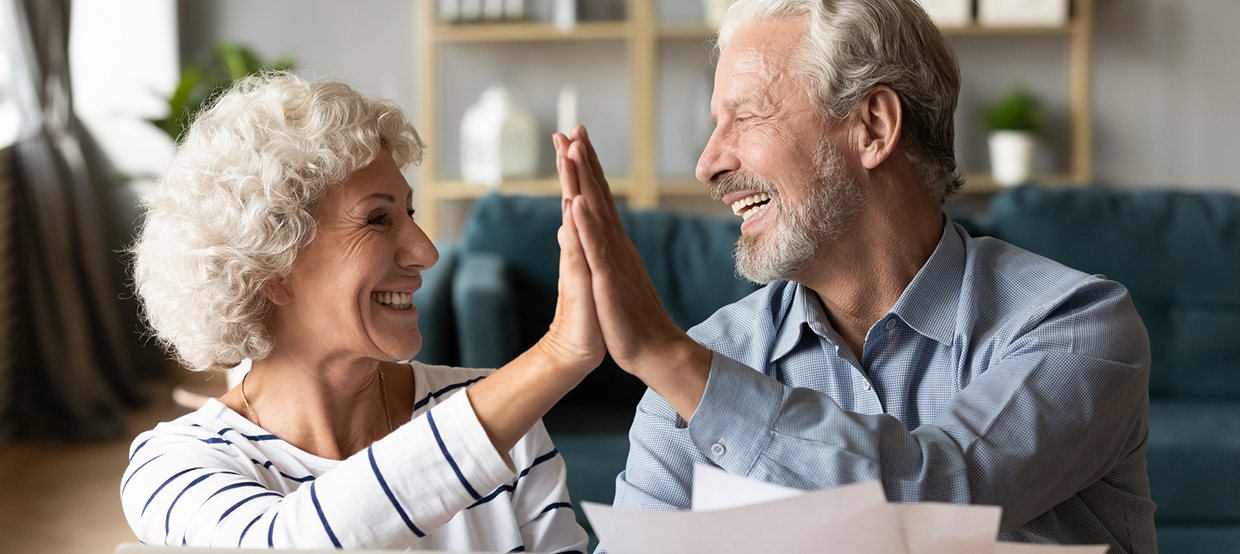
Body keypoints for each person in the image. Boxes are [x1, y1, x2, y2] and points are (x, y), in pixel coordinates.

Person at [551, 0, 1155, 552]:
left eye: (747, 116)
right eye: (715, 125)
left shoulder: (1075, 324)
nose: (709, 163)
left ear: (873, 127)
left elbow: (938, 494)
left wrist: (666, 356)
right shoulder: (696, 373)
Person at [122, 72, 603, 552]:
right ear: (270, 269)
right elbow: (280, 543)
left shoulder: (500, 417)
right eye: (377, 219)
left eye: (409, 214)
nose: (425, 252)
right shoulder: (174, 464)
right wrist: (558, 354)